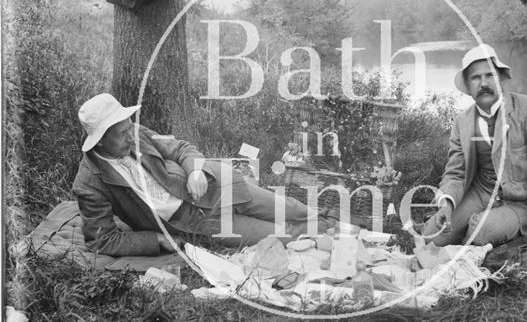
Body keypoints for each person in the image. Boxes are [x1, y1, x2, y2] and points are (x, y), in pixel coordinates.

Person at [72, 93, 334, 257]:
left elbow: (182, 148)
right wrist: (156, 240)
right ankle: (328, 234)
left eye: (130, 128)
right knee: (282, 235)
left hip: (218, 185)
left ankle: (339, 224)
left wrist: (196, 171)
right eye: (122, 134)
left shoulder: (136, 131)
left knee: (293, 208)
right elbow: (102, 239)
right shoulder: (89, 184)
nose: (132, 136)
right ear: (100, 141)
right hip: (193, 221)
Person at [421, 44, 527, 247]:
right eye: (476, 78)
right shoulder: (462, 122)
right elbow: (455, 173)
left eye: (489, 75)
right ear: (468, 85)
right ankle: (487, 224)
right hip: (481, 193)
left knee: (481, 231)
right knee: (432, 236)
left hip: (522, 201)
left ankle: (506, 227)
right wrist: (446, 205)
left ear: (500, 78)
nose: (483, 83)